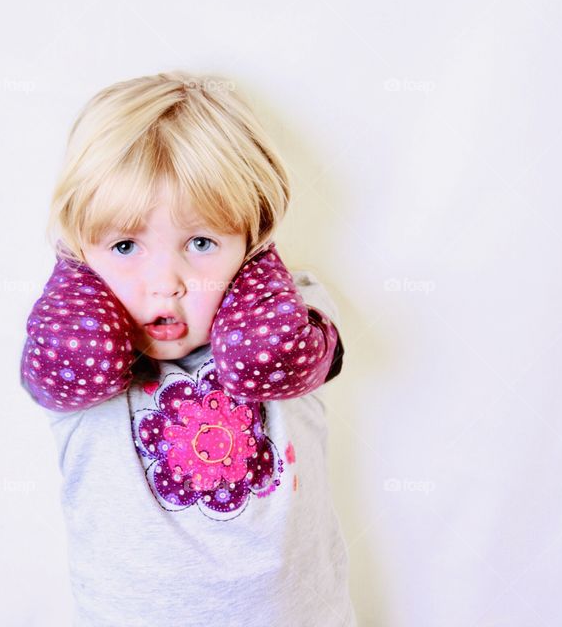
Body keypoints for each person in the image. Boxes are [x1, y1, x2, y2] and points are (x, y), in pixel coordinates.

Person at [19, 70, 355, 626]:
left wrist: (253, 254)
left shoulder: (298, 313)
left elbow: (274, 351)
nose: (164, 283)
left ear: (254, 246)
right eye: (124, 245)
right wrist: (77, 260)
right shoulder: (74, 353)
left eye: (201, 242)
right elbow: (64, 357)